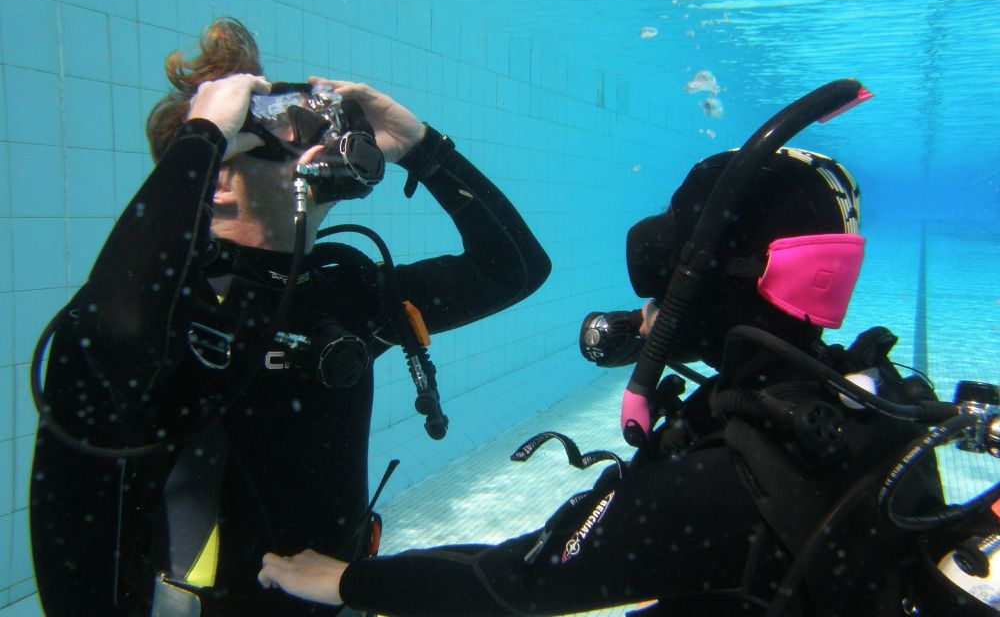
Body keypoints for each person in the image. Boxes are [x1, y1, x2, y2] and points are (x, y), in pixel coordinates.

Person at [257, 82, 961, 616]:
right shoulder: (872, 405)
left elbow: (507, 583)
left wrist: (343, 579)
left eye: (674, 256)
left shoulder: (724, 482)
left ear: (700, 275)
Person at [29, 17, 550, 617]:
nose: (326, 141)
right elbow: (116, 332)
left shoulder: (343, 287)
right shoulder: (167, 311)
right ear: (222, 178)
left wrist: (425, 149)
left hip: (336, 596)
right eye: (293, 128)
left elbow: (515, 269)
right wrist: (202, 136)